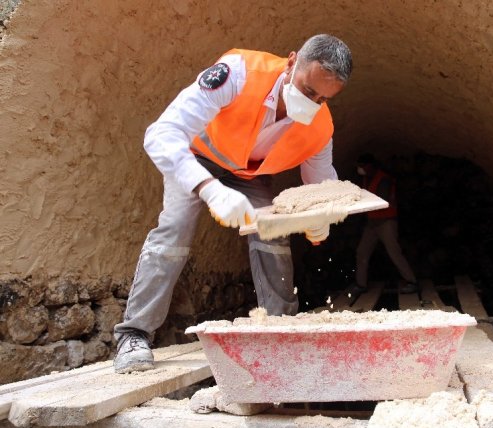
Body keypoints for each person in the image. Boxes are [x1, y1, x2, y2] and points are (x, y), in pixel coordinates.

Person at [113, 35, 353, 373]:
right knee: (175, 229)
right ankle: (134, 334)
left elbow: (321, 185)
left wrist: (320, 219)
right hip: (198, 159)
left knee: (273, 231)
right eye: (308, 90)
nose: (311, 103)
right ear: (291, 62)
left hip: (250, 176)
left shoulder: (320, 126)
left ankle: (280, 332)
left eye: (323, 99)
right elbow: (161, 134)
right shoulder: (239, 74)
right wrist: (209, 189)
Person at [351, 153, 418, 296]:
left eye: (362, 166)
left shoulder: (384, 179)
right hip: (372, 223)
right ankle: (361, 284)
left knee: (394, 252)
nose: (360, 169)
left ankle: (412, 281)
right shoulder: (366, 179)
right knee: (362, 252)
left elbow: (381, 200)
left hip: (386, 222)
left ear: (369, 166)